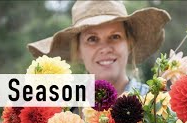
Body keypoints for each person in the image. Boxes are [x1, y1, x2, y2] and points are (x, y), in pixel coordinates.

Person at [27, 0, 171, 96]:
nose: (105, 48)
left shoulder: (157, 106)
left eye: (115, 36)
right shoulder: (61, 111)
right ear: (78, 51)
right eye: (92, 39)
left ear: (129, 43)